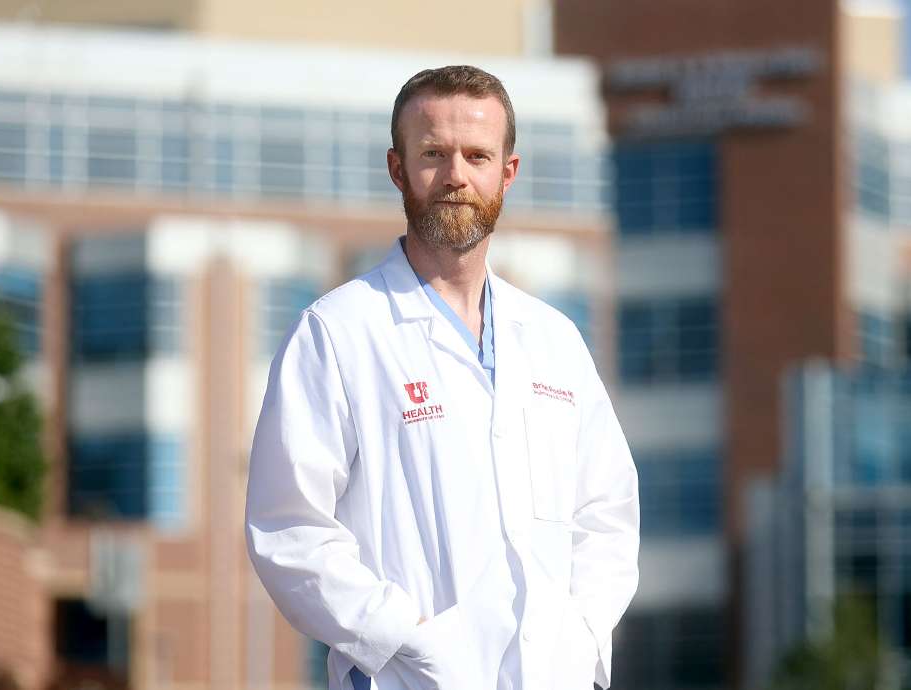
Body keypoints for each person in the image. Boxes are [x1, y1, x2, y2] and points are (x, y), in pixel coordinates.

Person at [244, 65, 640, 690]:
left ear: (507, 173)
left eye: (478, 155)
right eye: (433, 153)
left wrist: (582, 638)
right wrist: (407, 635)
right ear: (397, 168)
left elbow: (607, 514)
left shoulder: (554, 341)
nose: (457, 175)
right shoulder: (338, 333)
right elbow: (288, 526)